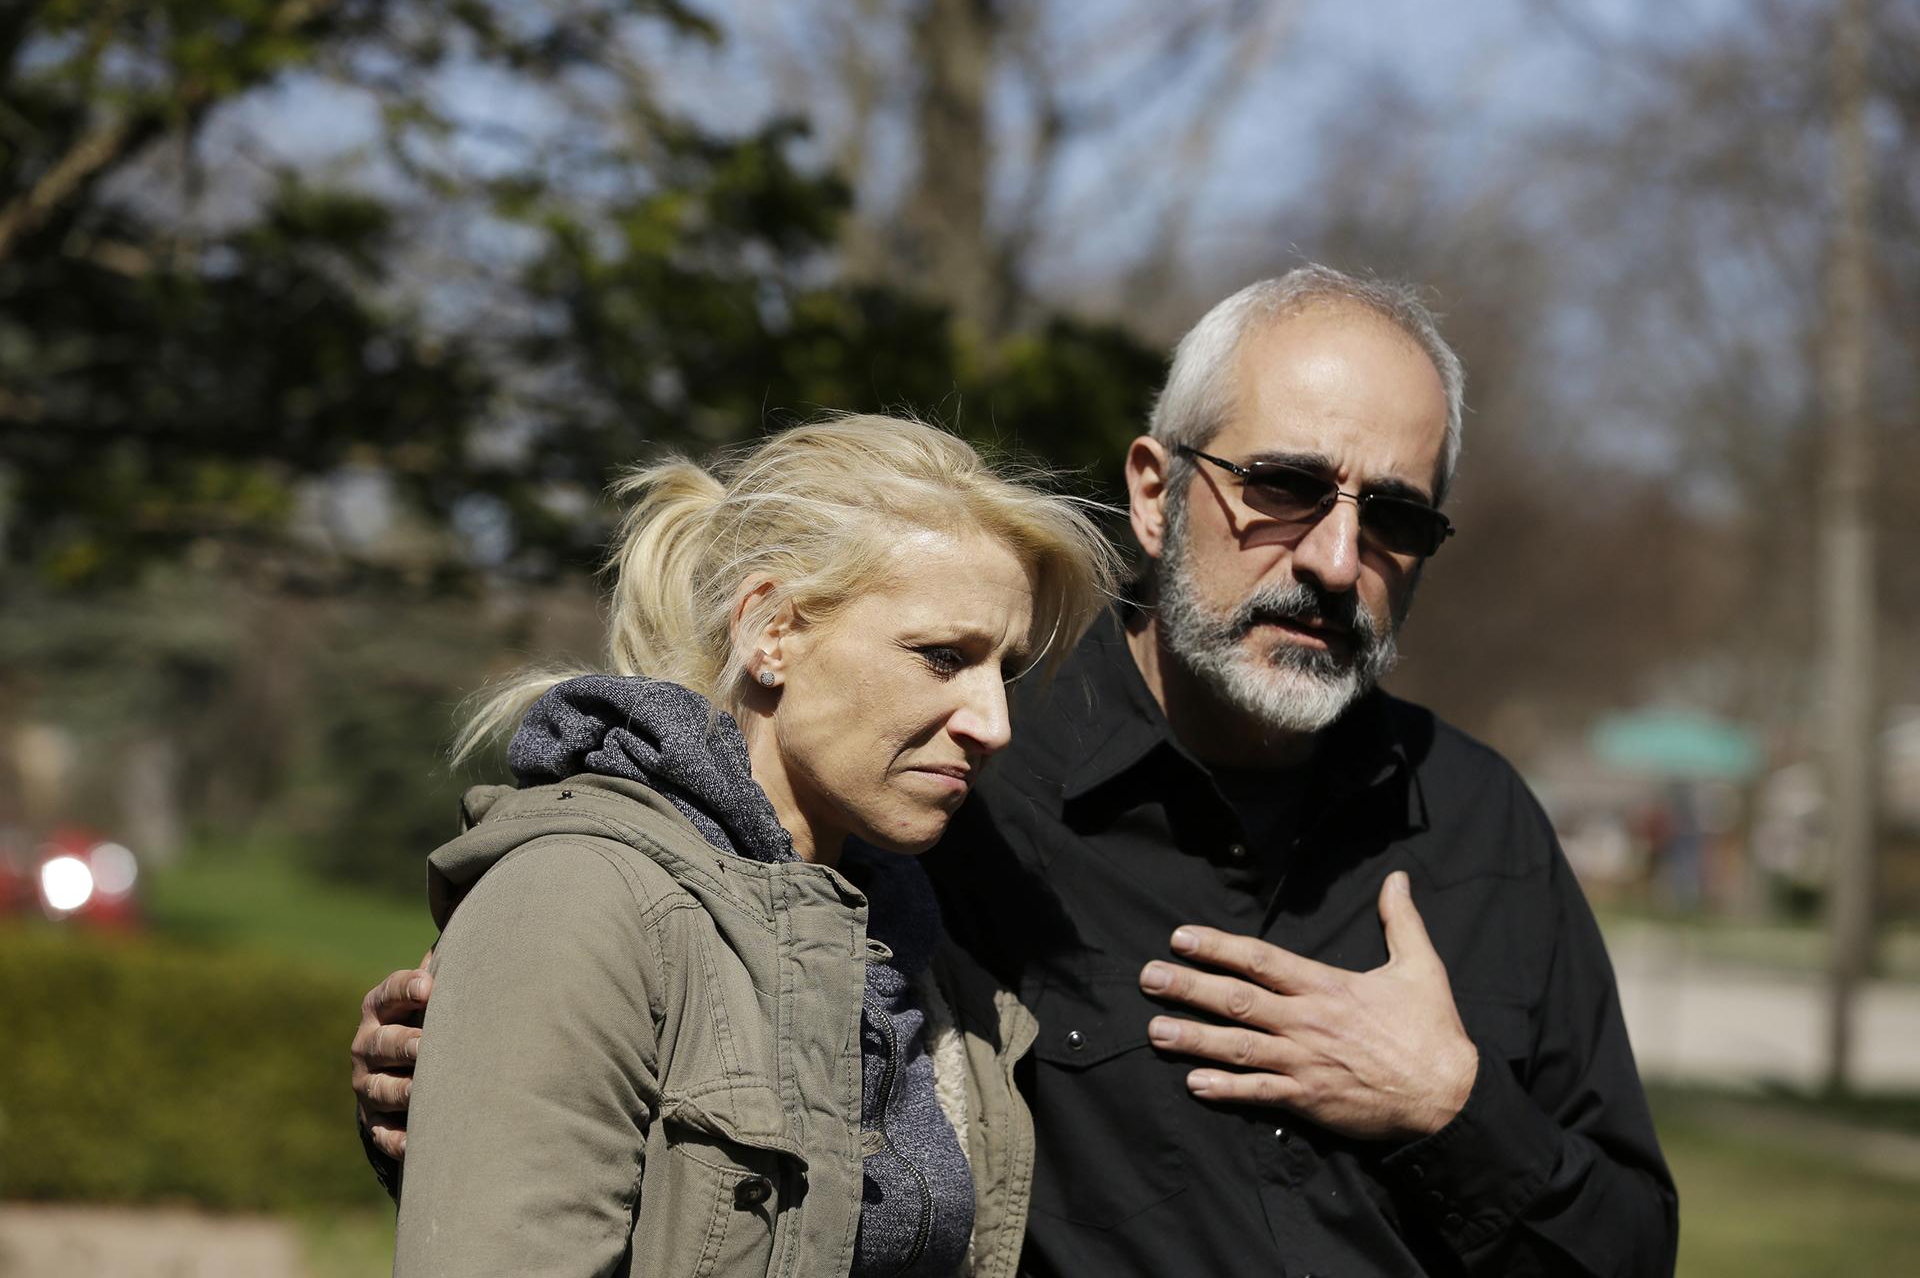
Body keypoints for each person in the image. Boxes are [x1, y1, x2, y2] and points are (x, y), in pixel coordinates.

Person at [356, 267, 1679, 1275]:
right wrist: (496, 1051)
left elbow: (1629, 1249)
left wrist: (1448, 1110)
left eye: (1393, 516)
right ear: (1155, 492)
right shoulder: (952, 787)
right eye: (1283, 486)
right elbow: (708, 990)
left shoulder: (1486, 829)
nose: (1334, 560)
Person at [383, 414, 1120, 1277]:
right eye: (941, 656)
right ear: (770, 630)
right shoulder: (575, 899)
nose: (993, 724)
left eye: (1006, 670)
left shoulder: (916, 945)